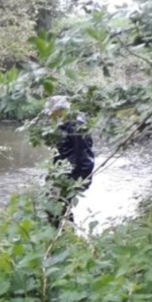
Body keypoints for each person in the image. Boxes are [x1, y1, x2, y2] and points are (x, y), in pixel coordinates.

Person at [44, 96, 95, 227]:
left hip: (70, 176)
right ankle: (63, 236)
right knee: (55, 207)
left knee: (57, 209)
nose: (51, 117)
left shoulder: (77, 125)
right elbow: (63, 152)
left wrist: (82, 181)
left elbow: (85, 155)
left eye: (52, 113)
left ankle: (61, 237)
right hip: (61, 173)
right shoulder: (66, 123)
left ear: (60, 110)